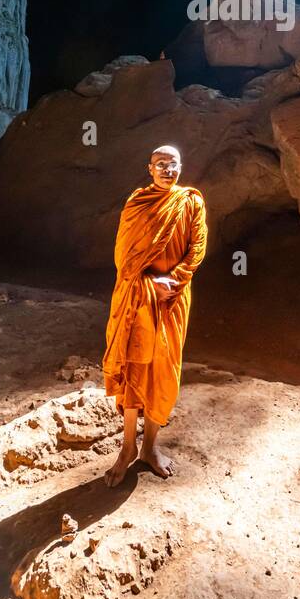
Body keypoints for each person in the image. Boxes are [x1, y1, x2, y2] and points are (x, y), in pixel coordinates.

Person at [102, 144, 207, 485]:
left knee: (164, 369)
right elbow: (124, 255)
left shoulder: (191, 202)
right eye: (160, 164)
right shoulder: (138, 203)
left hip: (173, 299)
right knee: (134, 365)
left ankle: (149, 446)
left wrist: (173, 280)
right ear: (150, 168)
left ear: (181, 165)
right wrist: (147, 283)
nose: (167, 169)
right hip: (138, 297)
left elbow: (197, 247)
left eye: (172, 163)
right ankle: (127, 447)